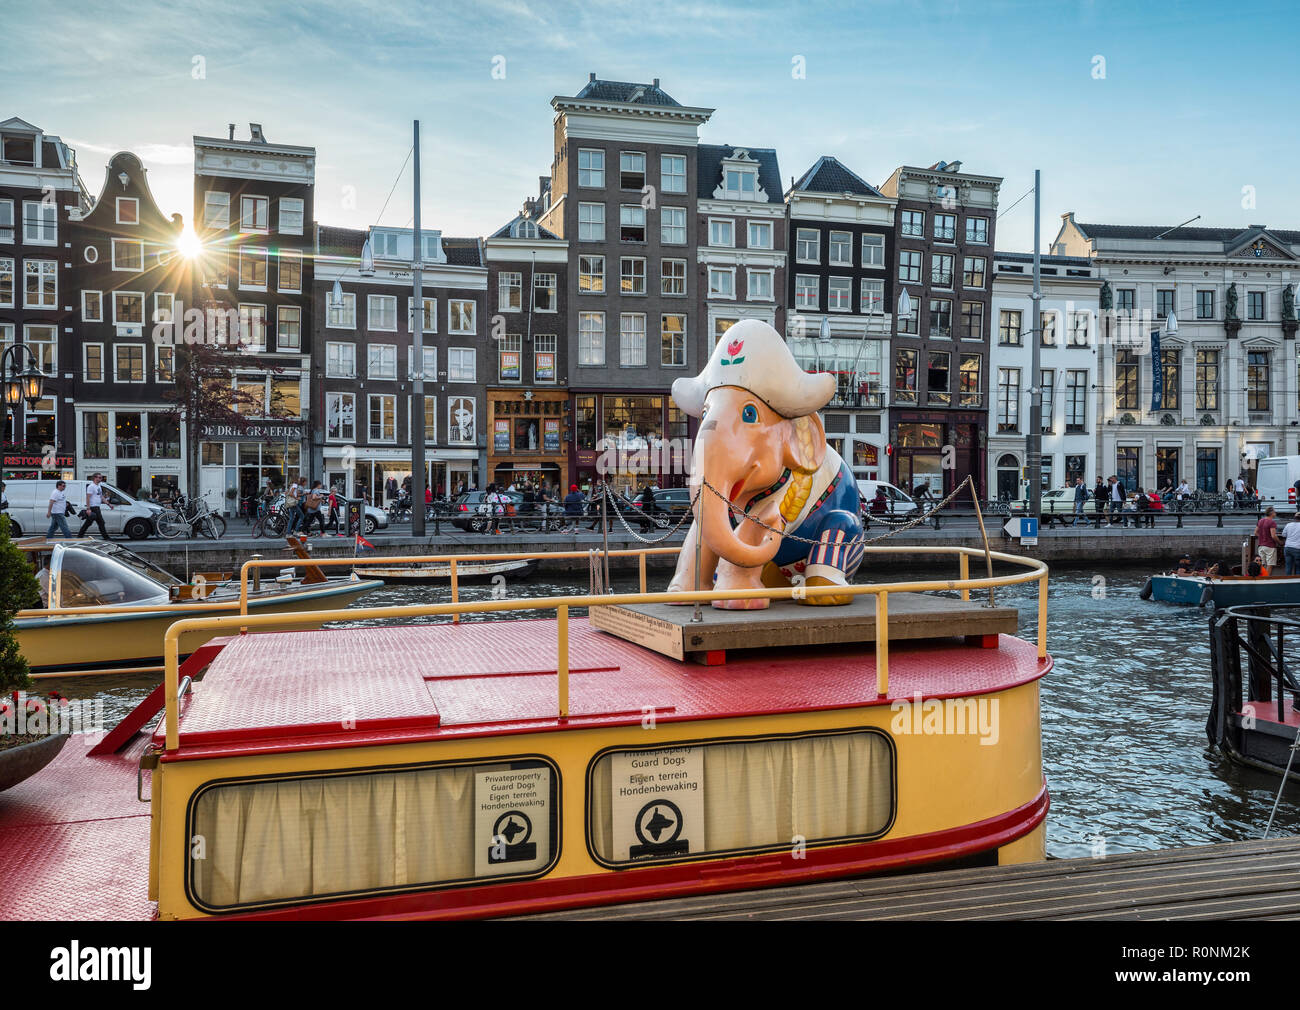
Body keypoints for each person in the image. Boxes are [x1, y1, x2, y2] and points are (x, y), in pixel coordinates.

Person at [78, 472, 112, 539]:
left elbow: (101, 497)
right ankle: (106, 537)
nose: (101, 479)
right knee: (101, 523)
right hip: (93, 508)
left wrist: (108, 504)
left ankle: (79, 536)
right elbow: (88, 497)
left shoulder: (98, 486)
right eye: (99, 477)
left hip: (97, 507)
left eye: (101, 477)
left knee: (88, 523)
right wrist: (88, 509)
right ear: (95, 478)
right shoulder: (91, 486)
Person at [1256, 506, 1279, 573]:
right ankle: (1266, 579)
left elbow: (1255, 532)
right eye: (1274, 512)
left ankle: (1261, 578)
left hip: (1261, 546)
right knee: (1270, 564)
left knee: (1261, 564)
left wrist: (1262, 537)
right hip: (1270, 546)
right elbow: (1273, 536)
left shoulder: (1260, 521)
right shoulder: (1272, 522)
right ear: (1271, 513)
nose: (1275, 513)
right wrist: (1280, 542)